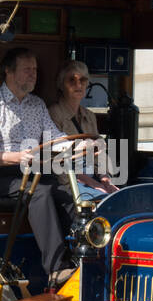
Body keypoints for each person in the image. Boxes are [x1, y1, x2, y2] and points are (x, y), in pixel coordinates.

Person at [0, 47, 77, 287]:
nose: (33, 74)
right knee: (40, 191)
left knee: (68, 194)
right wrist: (18, 157)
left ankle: (81, 259)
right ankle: (56, 268)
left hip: (28, 171)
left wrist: (77, 144)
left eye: (35, 70)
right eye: (27, 69)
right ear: (9, 71)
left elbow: (54, 136)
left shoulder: (37, 105)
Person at [48, 59, 119, 197]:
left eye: (83, 80)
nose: (78, 84)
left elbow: (100, 153)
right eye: (72, 80)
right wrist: (94, 184)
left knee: (118, 198)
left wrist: (106, 181)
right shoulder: (54, 113)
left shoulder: (90, 116)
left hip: (94, 180)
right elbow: (57, 161)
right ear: (61, 84)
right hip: (69, 183)